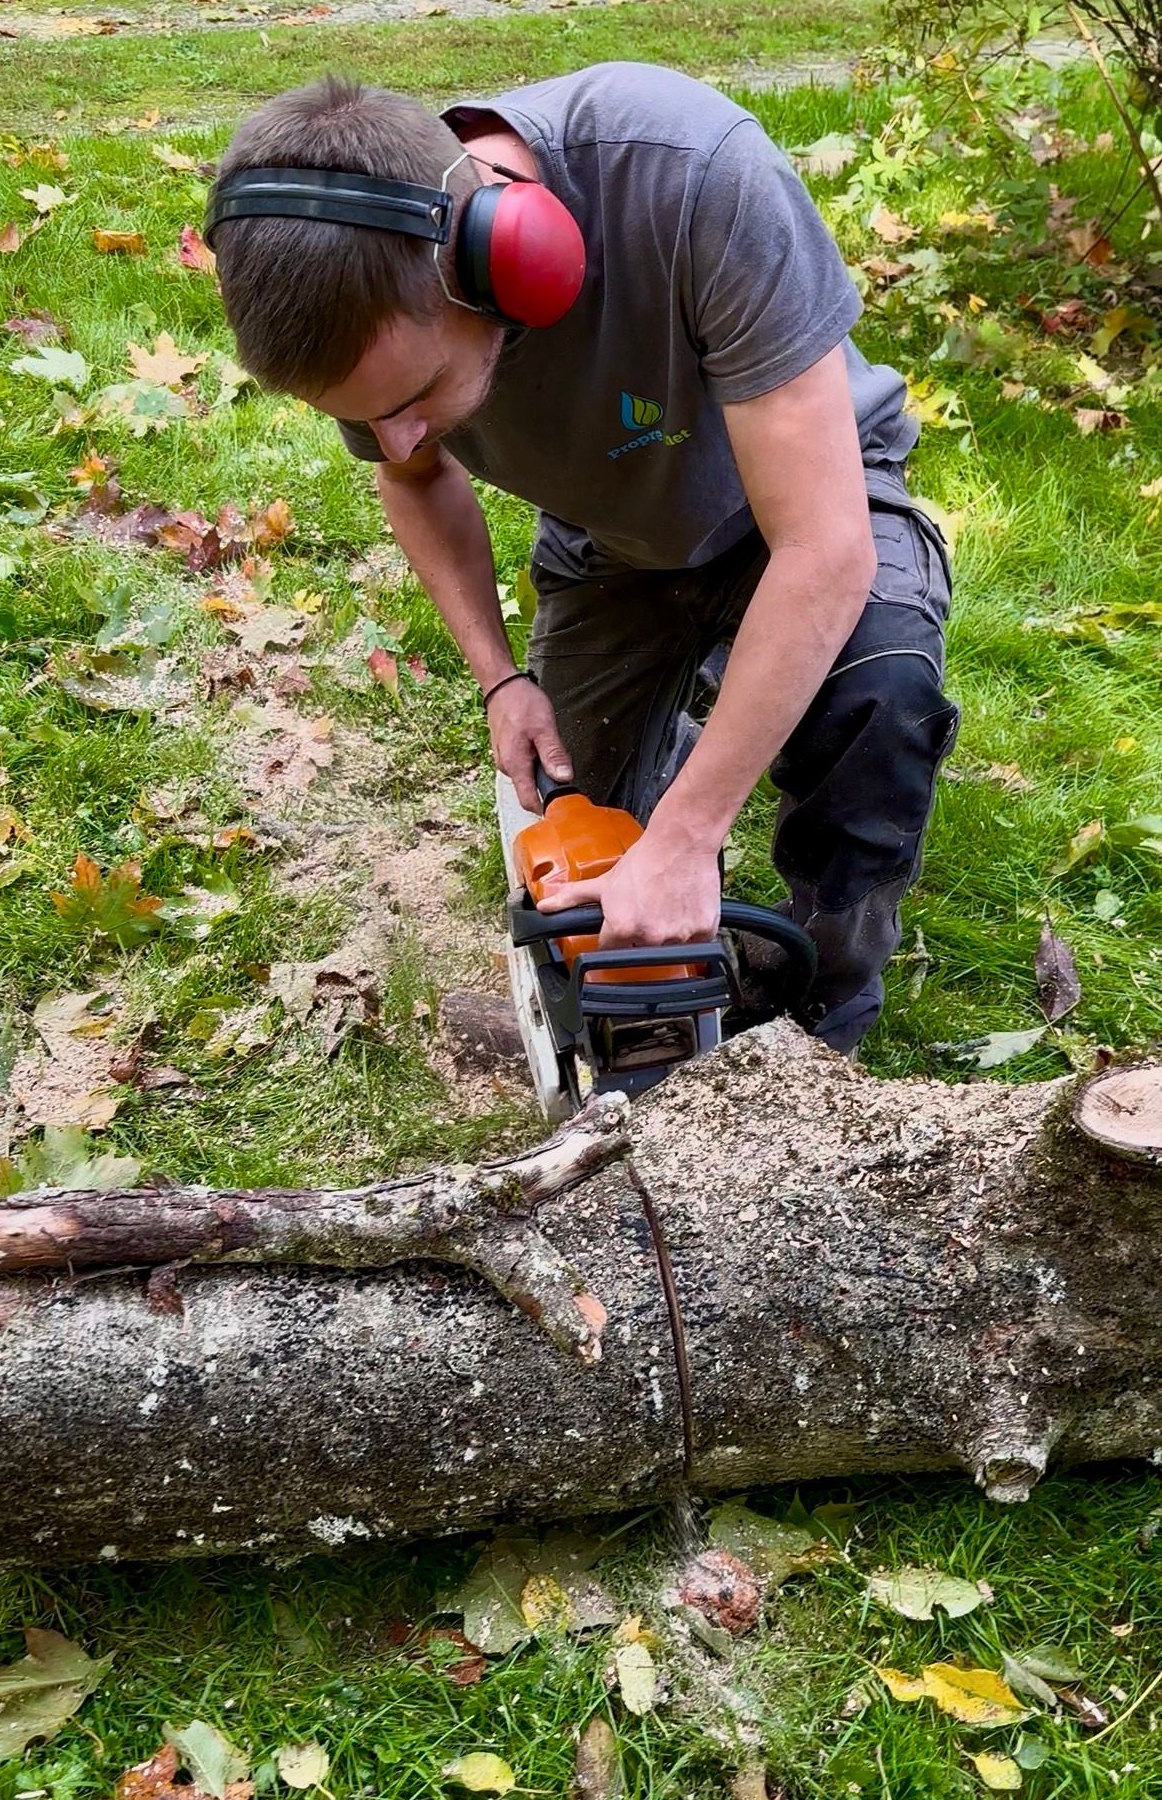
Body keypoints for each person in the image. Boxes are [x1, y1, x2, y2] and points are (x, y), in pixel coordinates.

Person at [207, 61, 959, 1056]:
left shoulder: (696, 180)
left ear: (505, 261)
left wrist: (688, 838)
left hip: (812, 500)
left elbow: (823, 550)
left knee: (879, 699)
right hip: (611, 537)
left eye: (413, 399)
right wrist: (499, 680)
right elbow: (418, 482)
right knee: (575, 824)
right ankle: (703, 771)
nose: (393, 438)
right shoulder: (356, 278)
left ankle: (817, 1018)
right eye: (364, 419)